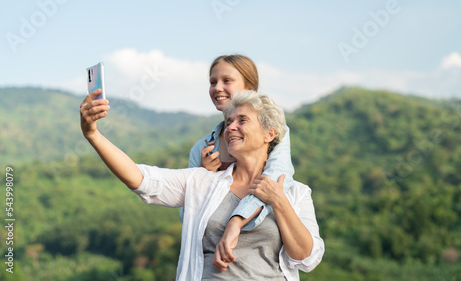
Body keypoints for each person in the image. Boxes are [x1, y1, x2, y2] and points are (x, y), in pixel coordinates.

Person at [80, 89, 324, 280]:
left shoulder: (296, 193)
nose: (231, 127)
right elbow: (140, 178)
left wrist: (279, 202)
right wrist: (93, 134)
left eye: (242, 120)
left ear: (269, 134)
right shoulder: (203, 181)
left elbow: (306, 258)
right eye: (229, 122)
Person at [186, 54, 295, 233]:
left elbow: (278, 180)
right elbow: (187, 215)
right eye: (213, 82)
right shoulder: (201, 148)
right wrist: (203, 175)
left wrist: (236, 221)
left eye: (227, 80)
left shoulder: (274, 132)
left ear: (250, 88)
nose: (218, 88)